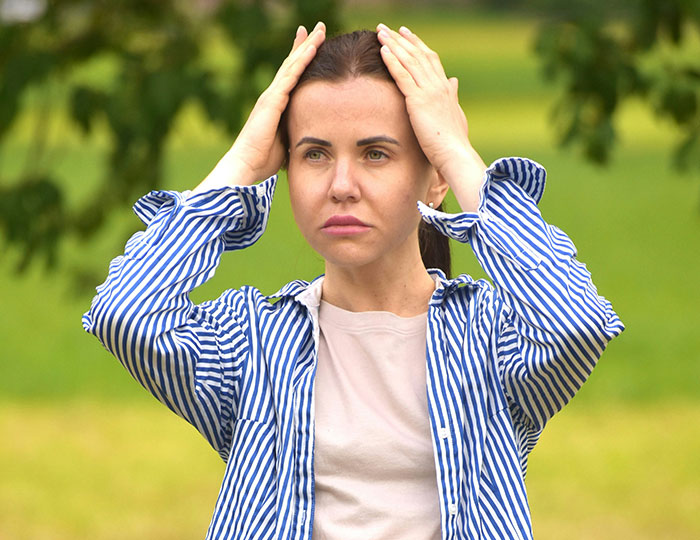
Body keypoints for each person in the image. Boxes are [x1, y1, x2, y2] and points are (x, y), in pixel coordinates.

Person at [83, 22, 624, 540]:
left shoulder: (489, 339)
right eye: (314, 154)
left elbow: (575, 325)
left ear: (434, 177)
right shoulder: (251, 343)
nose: (342, 185)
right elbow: (125, 313)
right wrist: (244, 158)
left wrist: (457, 154)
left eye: (376, 154)